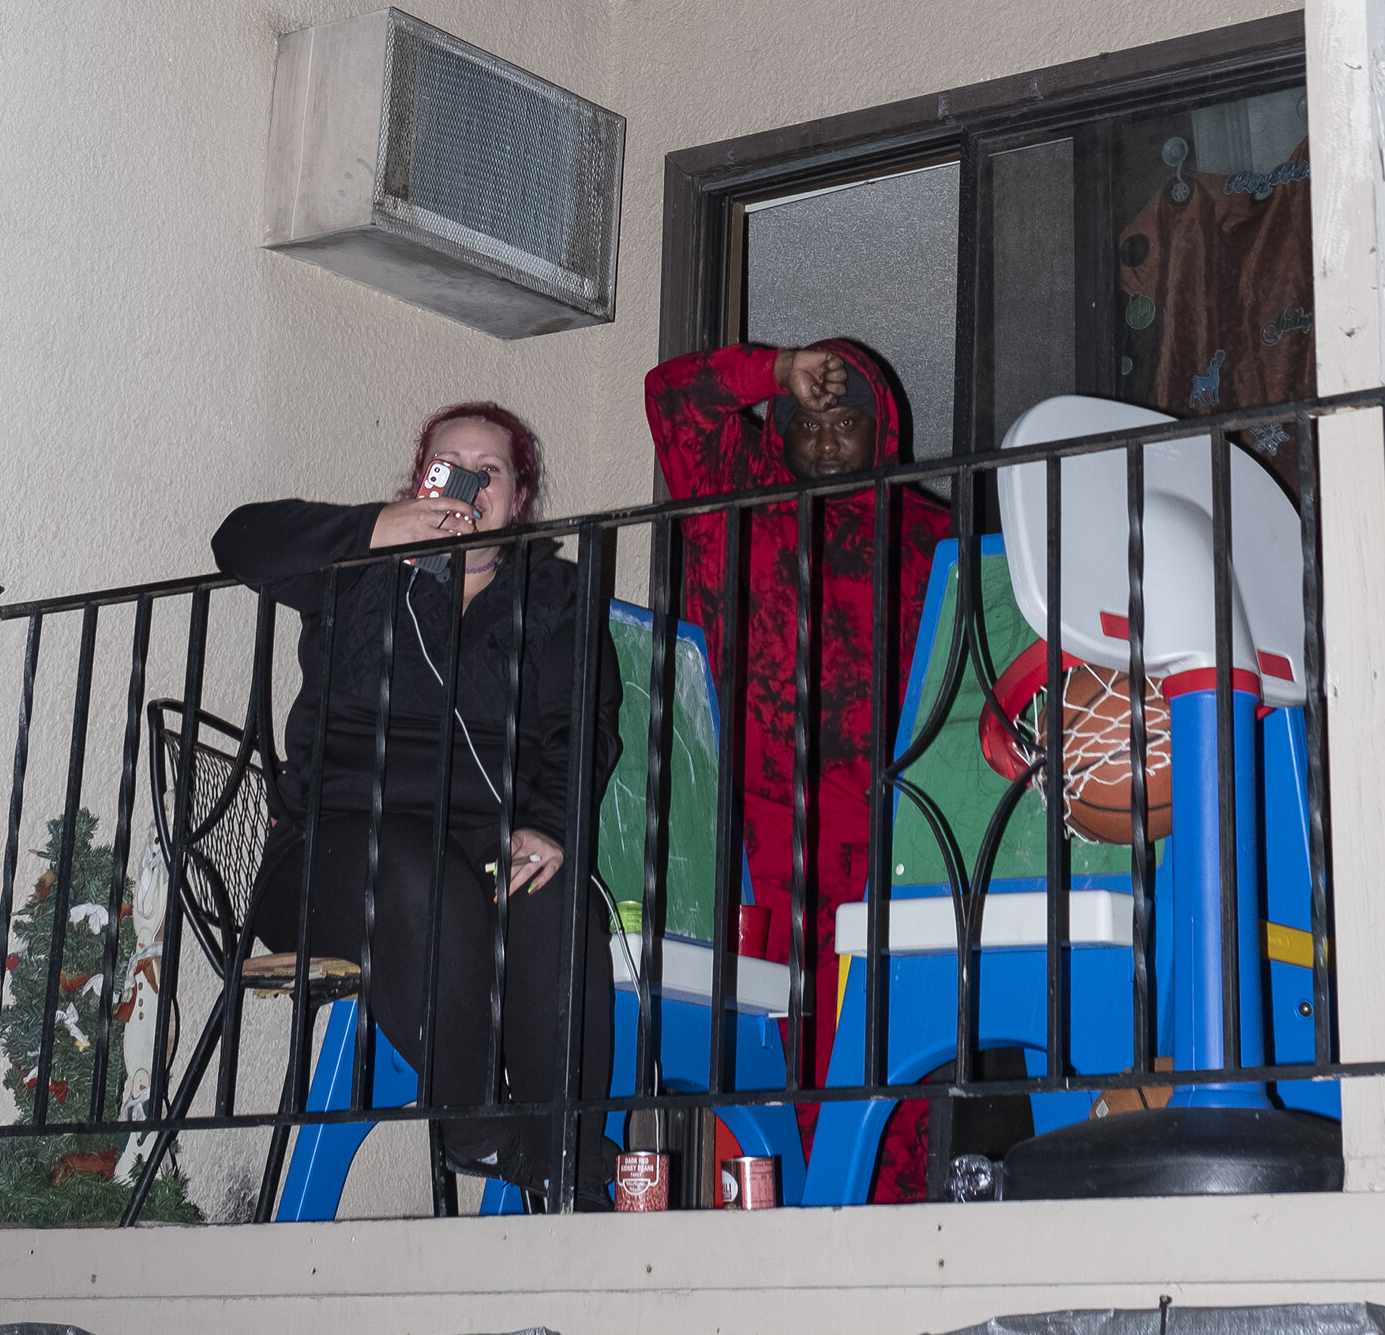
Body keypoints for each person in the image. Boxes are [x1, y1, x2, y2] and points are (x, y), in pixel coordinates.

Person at [212, 402, 619, 1203]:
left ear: (519, 497)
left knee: (553, 895)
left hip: (484, 846)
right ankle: (470, 1118)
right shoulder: (360, 573)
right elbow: (238, 541)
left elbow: (582, 727)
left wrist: (551, 827)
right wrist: (377, 530)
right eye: (448, 466)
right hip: (333, 854)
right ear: (417, 481)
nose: (468, 484)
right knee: (406, 864)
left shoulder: (557, 595)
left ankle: (562, 1151)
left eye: (489, 469)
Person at [643, 338, 948, 1199]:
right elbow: (673, 398)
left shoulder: (930, 533)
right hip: (751, 838)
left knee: (880, 1061)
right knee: (757, 1057)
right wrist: (776, 370)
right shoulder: (737, 498)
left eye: (845, 422)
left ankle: (879, 1250)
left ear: (882, 430)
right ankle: (759, 1249)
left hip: (880, 843)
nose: (822, 441)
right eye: (804, 422)